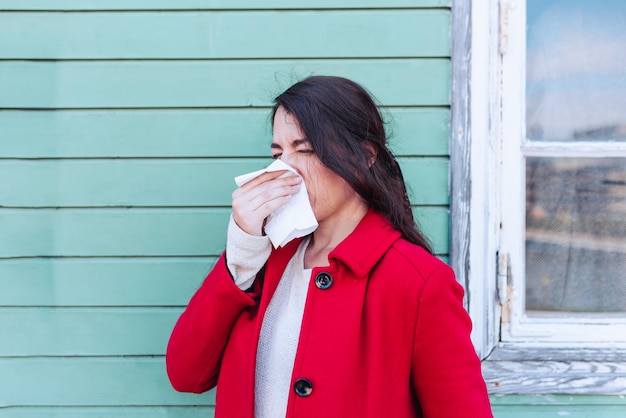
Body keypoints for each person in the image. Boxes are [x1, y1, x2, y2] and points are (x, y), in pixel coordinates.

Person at [166, 75, 493, 418]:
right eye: (278, 153)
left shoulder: (419, 282)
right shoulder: (262, 260)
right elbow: (186, 373)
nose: (285, 168)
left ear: (365, 156)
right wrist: (242, 251)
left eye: (304, 150)